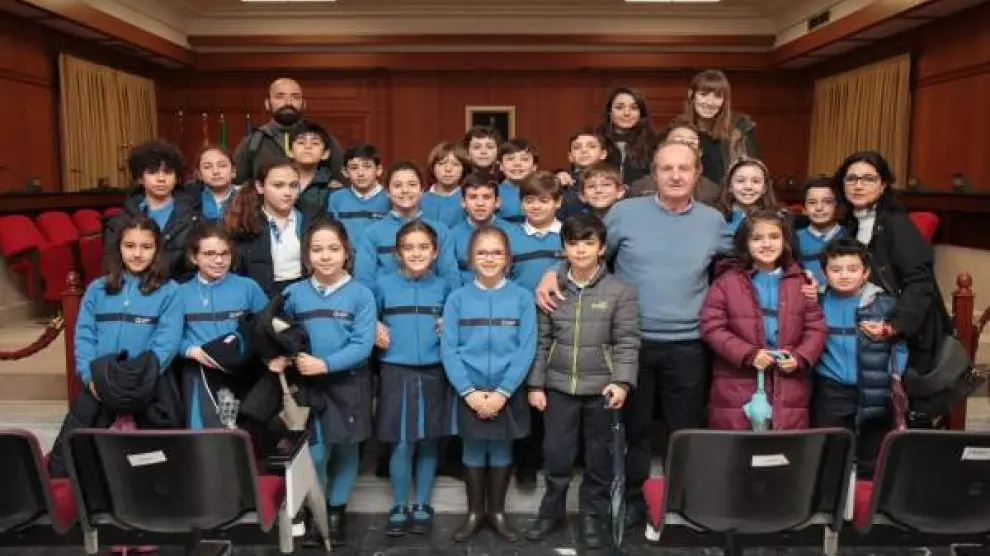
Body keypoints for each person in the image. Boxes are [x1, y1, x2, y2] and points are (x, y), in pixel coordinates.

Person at [535, 140, 724, 529]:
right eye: (666, 168)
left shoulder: (713, 221)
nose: (675, 176)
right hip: (632, 342)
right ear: (653, 174)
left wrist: (805, 276)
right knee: (634, 432)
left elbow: (742, 263)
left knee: (684, 431)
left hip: (688, 343)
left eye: (683, 168)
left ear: (697, 173)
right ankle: (634, 501)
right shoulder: (626, 213)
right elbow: (591, 253)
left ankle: (680, 502)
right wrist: (552, 272)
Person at [524, 214, 640, 549]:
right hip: (559, 387)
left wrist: (622, 382)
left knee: (598, 457)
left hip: (602, 390)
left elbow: (628, 342)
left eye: (589, 243)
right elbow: (542, 341)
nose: (581, 250)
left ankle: (592, 515)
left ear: (601, 248)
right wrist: (535, 385)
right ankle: (551, 512)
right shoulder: (552, 290)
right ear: (564, 248)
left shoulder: (620, 291)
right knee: (556, 454)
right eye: (573, 243)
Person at [50, 214, 183, 477]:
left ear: (157, 250)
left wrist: (137, 381)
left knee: (153, 468)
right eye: (129, 246)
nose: (137, 254)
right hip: (100, 385)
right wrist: (90, 378)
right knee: (70, 462)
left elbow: (166, 342)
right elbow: (85, 336)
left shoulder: (170, 291)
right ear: (118, 248)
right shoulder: (97, 290)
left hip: (149, 386)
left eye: (146, 247)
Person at [275, 218, 377, 547]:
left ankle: (335, 512)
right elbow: (278, 332)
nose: (326, 255)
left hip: (349, 384)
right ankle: (316, 510)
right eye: (317, 249)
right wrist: (280, 357)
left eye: (333, 248)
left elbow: (363, 345)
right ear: (307, 255)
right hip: (309, 388)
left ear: (346, 253)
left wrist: (325, 364)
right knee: (316, 454)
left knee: (347, 449)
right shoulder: (293, 294)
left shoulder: (361, 294)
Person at [442, 225, 536, 542]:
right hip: (469, 391)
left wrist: (503, 392)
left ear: (507, 258)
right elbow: (449, 349)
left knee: (501, 448)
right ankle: (474, 514)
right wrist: (468, 392)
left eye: (497, 252)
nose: (489, 258)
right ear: (470, 258)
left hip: (507, 391)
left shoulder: (522, 298)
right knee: (472, 448)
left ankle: (497, 513)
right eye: (481, 253)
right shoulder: (457, 299)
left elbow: (526, 348)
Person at [700, 210, 826, 430]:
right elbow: (711, 326)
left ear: (785, 241)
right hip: (737, 388)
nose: (766, 244)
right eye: (757, 238)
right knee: (739, 448)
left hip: (788, 388)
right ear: (745, 244)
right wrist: (748, 354)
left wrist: (799, 358)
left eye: (774, 237)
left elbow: (816, 327)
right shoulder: (727, 282)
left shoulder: (801, 281)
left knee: (783, 448)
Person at [833, 151, 951, 384]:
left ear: (883, 185)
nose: (858, 185)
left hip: (904, 336)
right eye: (851, 178)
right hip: (869, 325)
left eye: (868, 179)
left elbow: (919, 282)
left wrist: (894, 326)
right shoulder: (851, 224)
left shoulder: (895, 223)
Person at [374, 221, 452, 537]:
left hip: (434, 371)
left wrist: (448, 324)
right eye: (409, 247)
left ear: (435, 252)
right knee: (401, 440)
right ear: (398, 253)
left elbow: (456, 319)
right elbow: (367, 318)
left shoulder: (445, 287)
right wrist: (374, 328)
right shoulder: (382, 285)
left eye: (423, 247)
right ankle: (399, 504)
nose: (416, 253)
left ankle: (422, 503)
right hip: (396, 370)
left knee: (429, 438)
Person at [813, 238, 908, 477]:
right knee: (831, 452)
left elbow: (900, 347)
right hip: (831, 388)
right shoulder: (816, 302)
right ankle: (834, 496)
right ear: (824, 273)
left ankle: (866, 496)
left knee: (873, 455)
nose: (844, 275)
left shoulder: (884, 304)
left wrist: (892, 376)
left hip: (875, 388)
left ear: (866, 272)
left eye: (852, 269)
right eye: (836, 270)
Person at [177, 223, 268, 430]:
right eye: (209, 254)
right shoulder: (180, 293)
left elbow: (266, 328)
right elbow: (170, 336)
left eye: (224, 253)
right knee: (206, 440)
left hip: (243, 373)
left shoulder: (248, 288)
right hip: (200, 375)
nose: (218, 260)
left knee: (243, 439)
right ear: (193, 257)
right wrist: (191, 351)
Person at [104, 140, 201, 282]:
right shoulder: (120, 222)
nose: (161, 179)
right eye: (153, 172)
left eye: (168, 172)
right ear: (140, 178)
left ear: (176, 177)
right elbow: (113, 266)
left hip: (181, 289)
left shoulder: (194, 217)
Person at [354, 161, 459, 288]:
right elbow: (364, 279)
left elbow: (450, 278)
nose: (405, 190)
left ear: (422, 190)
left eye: (412, 184)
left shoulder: (440, 231)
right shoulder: (372, 233)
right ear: (387, 192)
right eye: (397, 185)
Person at [232, 77, 343, 185]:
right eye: (280, 97)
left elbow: (343, 180)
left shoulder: (323, 139)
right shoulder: (253, 142)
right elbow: (236, 184)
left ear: (303, 104)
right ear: (267, 103)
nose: (288, 102)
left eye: (295, 97)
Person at [225, 157, 307, 297]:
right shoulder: (245, 222)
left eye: (293, 185)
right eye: (278, 185)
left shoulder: (310, 220)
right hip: (259, 296)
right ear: (260, 187)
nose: (287, 193)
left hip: (302, 293)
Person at [682, 70, 759, 185]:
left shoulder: (740, 129)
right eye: (703, 94)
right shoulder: (678, 130)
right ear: (691, 95)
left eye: (718, 96)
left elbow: (755, 172)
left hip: (729, 194)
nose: (710, 102)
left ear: (724, 101)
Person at [629, 118, 720, 204]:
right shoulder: (640, 188)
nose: (685, 146)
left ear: (700, 153)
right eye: (678, 140)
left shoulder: (712, 192)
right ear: (662, 147)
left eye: (691, 143)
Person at [450, 172, 511, 285]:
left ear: (497, 202)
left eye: (486, 197)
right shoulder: (452, 236)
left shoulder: (513, 232)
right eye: (473, 197)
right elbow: (451, 275)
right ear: (463, 202)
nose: (480, 203)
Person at [327, 143, 390, 243]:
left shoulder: (390, 198)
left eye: (367, 166)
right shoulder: (337, 198)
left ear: (379, 170)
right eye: (354, 168)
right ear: (345, 172)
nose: (360, 173)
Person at [713, 157, 778, 249]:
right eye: (740, 181)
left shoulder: (777, 219)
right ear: (730, 186)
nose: (748, 186)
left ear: (764, 188)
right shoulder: (714, 218)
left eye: (756, 181)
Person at [597, 87, 656, 186]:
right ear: (609, 112)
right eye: (619, 107)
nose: (626, 113)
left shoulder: (654, 144)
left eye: (634, 108)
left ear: (641, 114)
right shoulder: (595, 141)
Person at [795, 177, 844, 289]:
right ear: (804, 209)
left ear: (837, 206)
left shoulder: (850, 235)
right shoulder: (794, 238)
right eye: (812, 202)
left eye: (827, 202)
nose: (819, 208)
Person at [555, 127, 611, 219]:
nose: (584, 150)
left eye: (591, 146)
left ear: (603, 154)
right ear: (570, 156)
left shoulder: (613, 179)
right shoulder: (563, 183)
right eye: (577, 147)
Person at [421, 141, 470, 228]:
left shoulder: (469, 199)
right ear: (432, 167)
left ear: (464, 169)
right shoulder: (419, 199)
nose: (448, 169)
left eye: (455, 164)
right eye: (441, 164)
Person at [291, 121, 336, 215]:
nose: (308, 147)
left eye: (315, 143)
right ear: (290, 151)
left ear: (325, 154)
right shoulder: (276, 180)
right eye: (301, 142)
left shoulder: (332, 187)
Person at [496, 138, 539, 224]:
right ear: (501, 165)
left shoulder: (543, 191)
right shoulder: (492, 192)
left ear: (534, 166)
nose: (517, 163)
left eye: (524, 159)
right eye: (510, 159)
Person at [194, 146, 237, 222]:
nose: (215, 171)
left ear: (233, 171)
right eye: (207, 167)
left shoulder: (246, 197)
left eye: (222, 165)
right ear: (199, 174)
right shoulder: (191, 200)